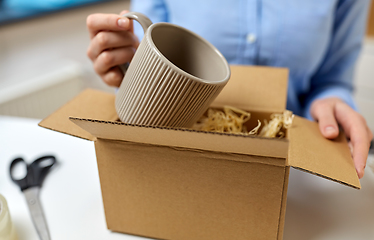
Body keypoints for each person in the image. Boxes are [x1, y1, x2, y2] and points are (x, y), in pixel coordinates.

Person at [86, 0, 373, 178]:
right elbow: (144, 49)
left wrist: (331, 100)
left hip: (293, 167)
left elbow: (332, 79)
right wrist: (125, 64)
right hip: (175, 161)